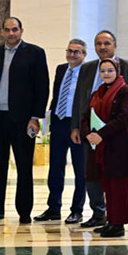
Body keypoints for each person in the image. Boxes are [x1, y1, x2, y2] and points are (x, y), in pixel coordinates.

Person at [70, 30, 128, 228]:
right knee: (93, 175)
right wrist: (79, 128)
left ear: (115, 46)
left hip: (116, 136)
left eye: (107, 43)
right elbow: (80, 100)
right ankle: (98, 213)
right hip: (91, 136)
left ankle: (115, 219)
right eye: (98, 43)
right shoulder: (87, 69)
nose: (102, 47)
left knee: (115, 178)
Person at [0, 17, 49, 224]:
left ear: (21, 31)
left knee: (24, 166)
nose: (11, 33)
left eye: (15, 29)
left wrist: (35, 118)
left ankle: (24, 211)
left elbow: (42, 87)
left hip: (23, 119)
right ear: (2, 32)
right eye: (7, 30)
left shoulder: (35, 53)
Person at [34, 39, 87, 224]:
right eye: (69, 51)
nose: (72, 54)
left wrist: (80, 126)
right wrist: (48, 121)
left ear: (84, 54)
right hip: (58, 123)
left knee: (81, 169)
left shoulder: (88, 71)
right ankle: (53, 208)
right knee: (55, 167)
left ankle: (77, 210)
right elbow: (56, 96)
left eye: (77, 52)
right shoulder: (61, 69)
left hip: (77, 125)